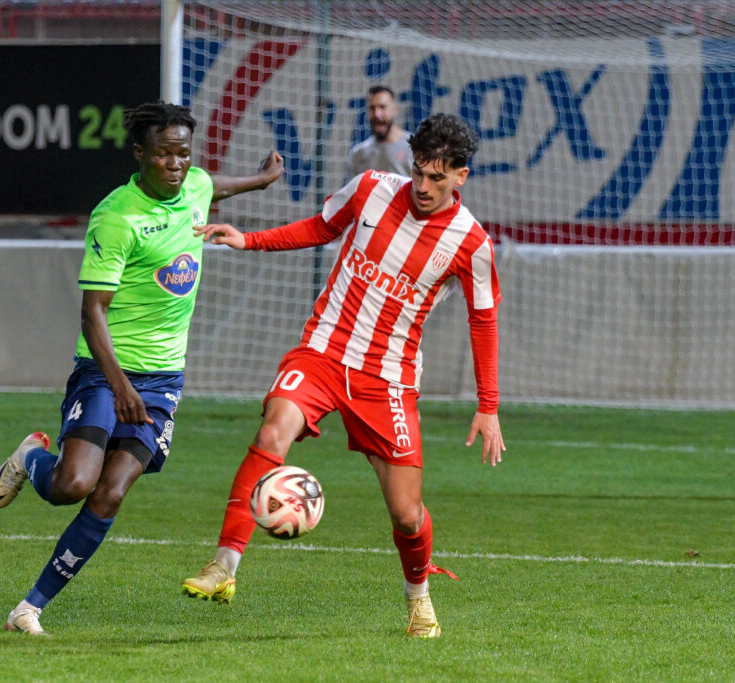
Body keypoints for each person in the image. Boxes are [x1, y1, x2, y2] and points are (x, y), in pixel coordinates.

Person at [181, 113, 505, 639]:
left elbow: (483, 320)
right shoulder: (371, 187)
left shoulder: (471, 243)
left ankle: (418, 597)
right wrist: (250, 240)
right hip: (323, 352)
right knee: (273, 430)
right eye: (418, 171)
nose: (423, 186)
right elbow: (320, 227)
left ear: (460, 176)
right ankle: (223, 565)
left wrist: (488, 406)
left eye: (437, 177)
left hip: (388, 379)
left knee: (406, 514)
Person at [0, 100, 284, 636]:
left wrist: (260, 180)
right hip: (106, 372)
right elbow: (91, 314)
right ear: (140, 154)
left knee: (111, 491)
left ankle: (28, 608)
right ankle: (31, 458)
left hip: (164, 379)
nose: (177, 165)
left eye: (184, 154)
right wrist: (121, 385)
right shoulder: (117, 217)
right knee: (73, 484)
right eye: (165, 154)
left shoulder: (194, 184)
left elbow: (211, 186)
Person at [346, 86, 413, 180]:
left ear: (395, 110)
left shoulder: (415, 148)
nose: (377, 114)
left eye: (382, 107)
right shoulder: (358, 154)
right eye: (372, 108)